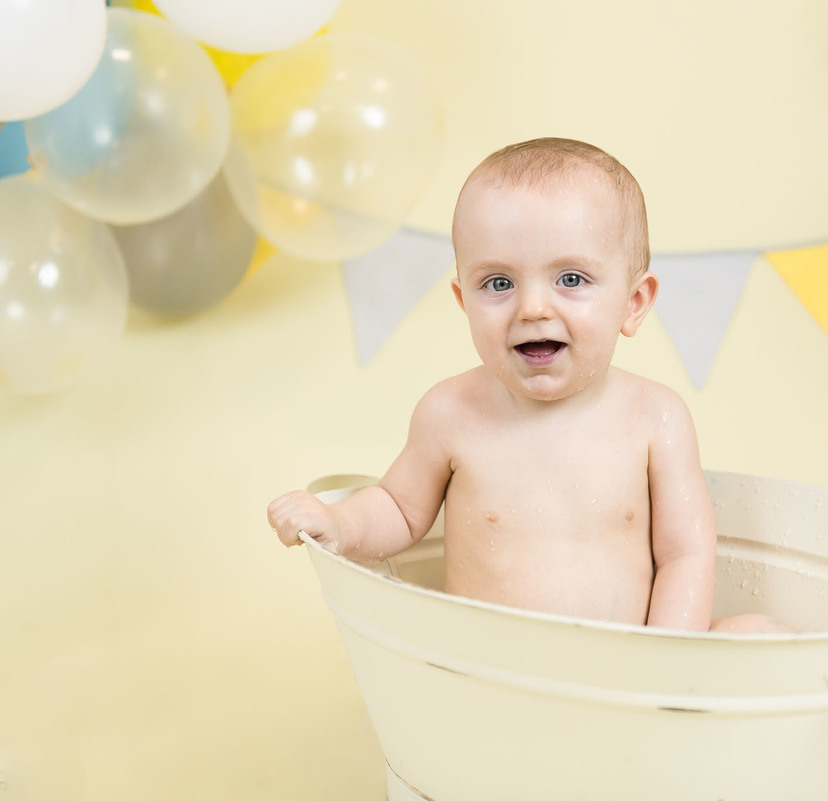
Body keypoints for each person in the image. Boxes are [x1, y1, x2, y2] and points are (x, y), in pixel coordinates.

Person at [268, 137, 786, 634]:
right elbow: (398, 511)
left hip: (625, 676)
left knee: (756, 634)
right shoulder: (450, 413)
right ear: (463, 300)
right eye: (499, 283)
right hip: (494, 674)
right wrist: (337, 524)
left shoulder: (656, 418)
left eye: (571, 279)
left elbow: (684, 554)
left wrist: (665, 663)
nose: (533, 308)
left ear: (634, 303)